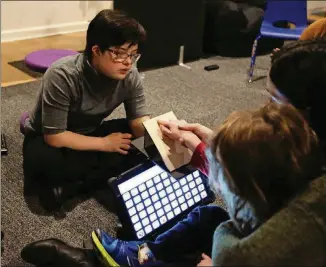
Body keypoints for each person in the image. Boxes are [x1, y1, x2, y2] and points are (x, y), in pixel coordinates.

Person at [20, 102, 324, 267]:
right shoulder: (303, 184)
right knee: (209, 216)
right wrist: (206, 146)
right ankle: (141, 255)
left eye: (219, 174)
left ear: (244, 192)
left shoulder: (241, 254)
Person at [21, 9, 150, 210]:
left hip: (88, 133)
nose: (127, 62)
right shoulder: (63, 75)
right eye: (119, 53)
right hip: (48, 138)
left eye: (133, 55)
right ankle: (94, 182)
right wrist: (104, 144)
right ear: (96, 50)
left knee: (140, 140)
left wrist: (158, 136)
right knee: (46, 163)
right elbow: (54, 136)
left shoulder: (130, 74)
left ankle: (76, 187)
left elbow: (138, 119)